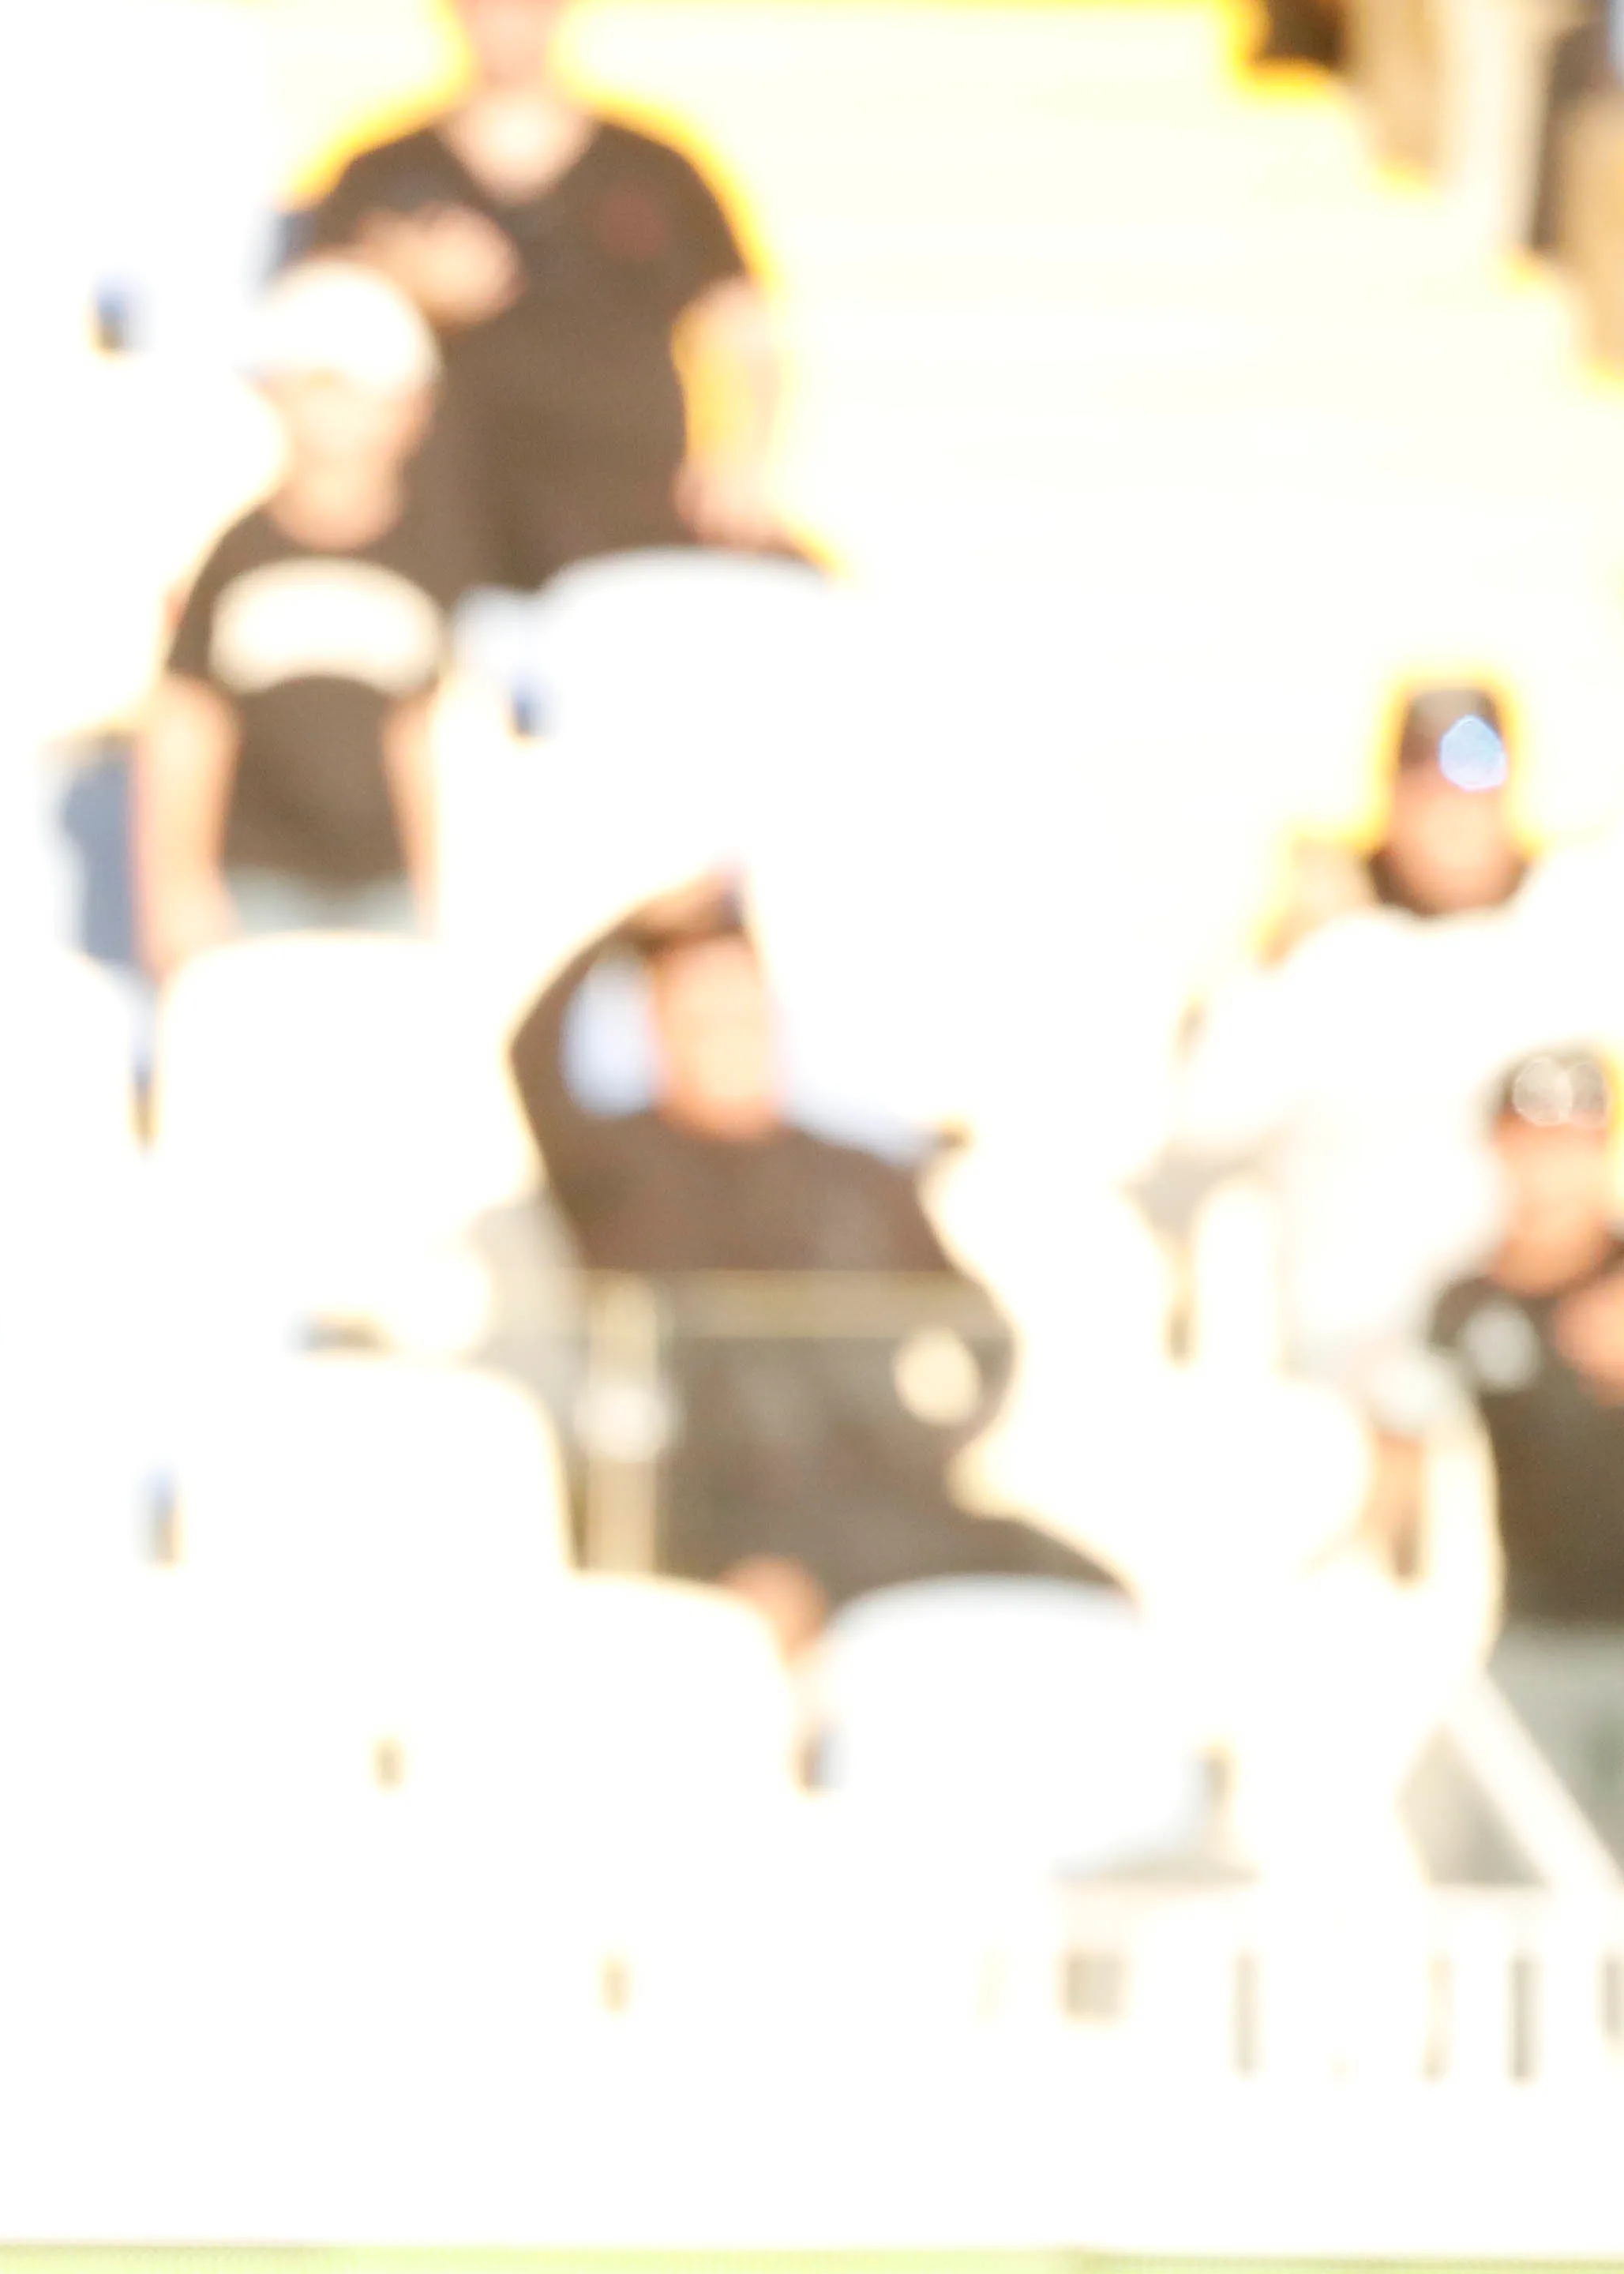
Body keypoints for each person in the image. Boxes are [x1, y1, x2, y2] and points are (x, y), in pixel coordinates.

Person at [513, 883, 1103, 1645]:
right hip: (717, 1518)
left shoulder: (854, 1175)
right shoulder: (622, 1172)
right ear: (658, 1032)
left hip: (883, 1502)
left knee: (1084, 1590)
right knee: (764, 1614)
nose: (727, 1040)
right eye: (698, 1019)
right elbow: (530, 1056)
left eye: (743, 1015)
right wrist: (635, 927)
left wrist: (929, 1437)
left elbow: (983, 1333)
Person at [1172, 682, 1623, 1415]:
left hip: (1539, 1367)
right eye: (1431, 795)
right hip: (1355, 1368)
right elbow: (1204, 1122)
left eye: (1475, 795)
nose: (1456, 823)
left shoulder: (1573, 921)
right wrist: (1274, 959)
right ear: (1392, 798)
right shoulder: (1331, 951)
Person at [303, 0, 783, 595]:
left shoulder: (655, 165)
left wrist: (740, 462)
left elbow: (743, 326)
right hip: (442, 550)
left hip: (624, 545)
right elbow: (308, 324)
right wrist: (400, 284)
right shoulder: (382, 171)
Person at [135, 262, 454, 981]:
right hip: (257, 888)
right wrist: (177, 887)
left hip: (388, 894)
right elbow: (189, 725)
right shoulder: (236, 557)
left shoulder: (431, 557)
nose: (339, 416)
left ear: (411, 410)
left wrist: (439, 898)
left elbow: (424, 742)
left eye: (361, 393)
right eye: (320, 387)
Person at [1423, 1044, 1624, 1848]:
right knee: (1524, 1874)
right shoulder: (1461, 1302)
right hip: (1532, 1636)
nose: (1550, 1170)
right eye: (1531, 1142)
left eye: (1573, 1144)